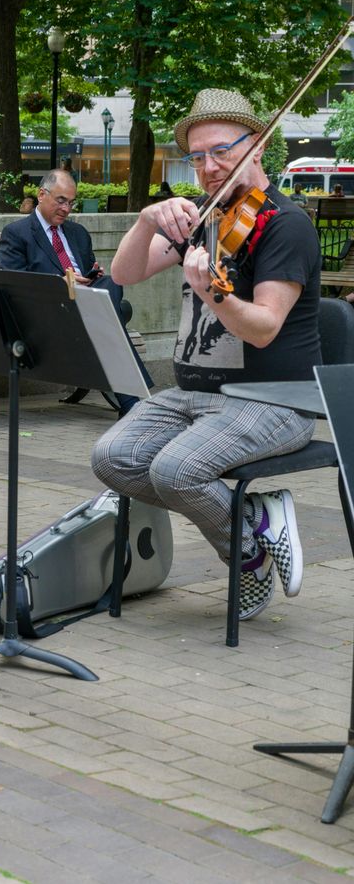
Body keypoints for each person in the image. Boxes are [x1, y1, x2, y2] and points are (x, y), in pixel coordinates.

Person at [91, 88, 320, 621]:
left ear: (258, 145)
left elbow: (263, 329)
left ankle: (246, 554)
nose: (209, 167)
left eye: (222, 151)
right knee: (112, 459)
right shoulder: (202, 217)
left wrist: (216, 293)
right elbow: (125, 274)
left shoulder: (285, 226)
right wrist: (148, 218)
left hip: (274, 401)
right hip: (194, 394)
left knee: (176, 470)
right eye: (198, 157)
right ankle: (256, 519)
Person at [0, 168, 152, 416]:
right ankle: (135, 402)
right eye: (61, 201)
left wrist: (92, 276)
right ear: (41, 194)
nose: (67, 209)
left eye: (71, 203)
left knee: (112, 282)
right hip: (48, 310)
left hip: (86, 305)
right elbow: (14, 284)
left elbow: (89, 271)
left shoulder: (78, 233)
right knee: (114, 316)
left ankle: (132, 404)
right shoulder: (17, 233)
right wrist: (63, 283)